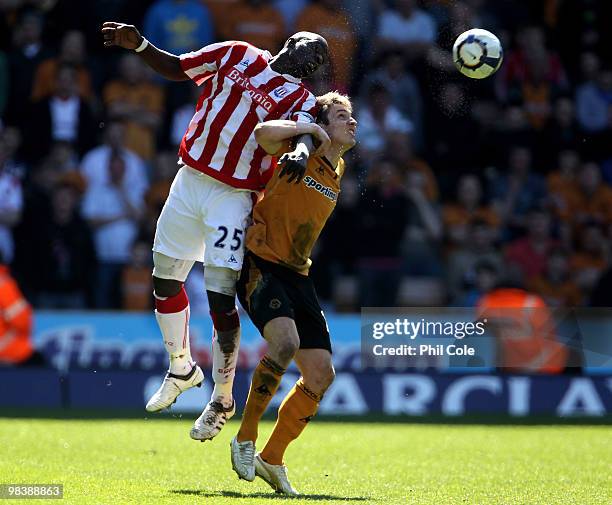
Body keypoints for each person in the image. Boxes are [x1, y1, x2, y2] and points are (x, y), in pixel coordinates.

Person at [101, 21, 330, 441]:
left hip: (235, 196)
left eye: (317, 59)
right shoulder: (236, 52)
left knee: (220, 296)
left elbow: (305, 136)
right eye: (308, 47)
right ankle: (181, 368)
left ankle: (222, 397)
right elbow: (177, 67)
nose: (309, 58)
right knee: (165, 280)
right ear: (289, 42)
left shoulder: (300, 98)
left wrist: (298, 152)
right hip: (189, 180)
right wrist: (140, 46)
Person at [230, 92, 357, 495]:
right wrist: (307, 131)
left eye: (352, 117)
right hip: (260, 260)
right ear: (322, 121)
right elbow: (262, 133)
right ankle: (245, 438)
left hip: (298, 273)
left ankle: (273, 457)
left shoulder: (339, 165)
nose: (351, 122)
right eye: (341, 116)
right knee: (285, 343)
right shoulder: (299, 145)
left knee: (322, 374)